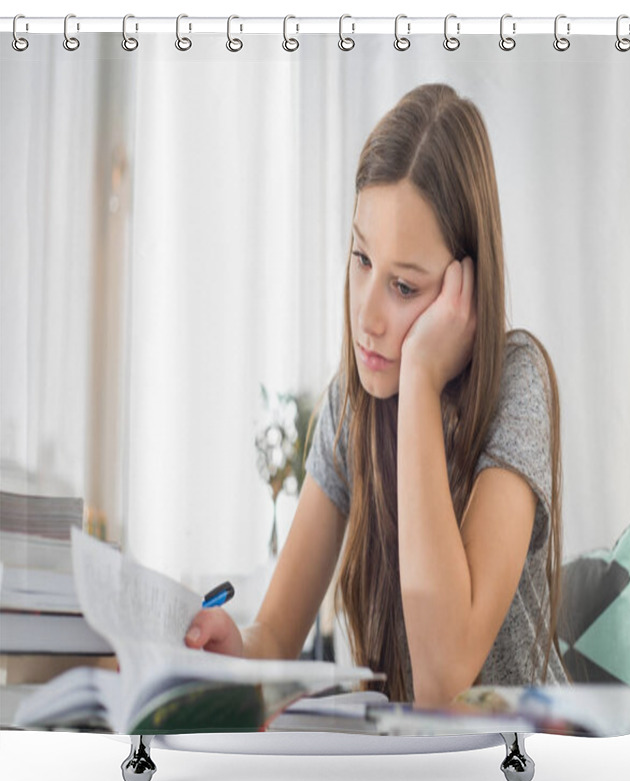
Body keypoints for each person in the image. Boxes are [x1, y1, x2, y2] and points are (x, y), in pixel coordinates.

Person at [185, 83, 569, 707]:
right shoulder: (348, 410)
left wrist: (419, 377)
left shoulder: (516, 383)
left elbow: (445, 678)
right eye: (362, 258)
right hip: (410, 766)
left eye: (405, 287)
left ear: (465, 288)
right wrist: (237, 647)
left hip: (517, 763)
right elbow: (278, 634)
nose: (368, 316)